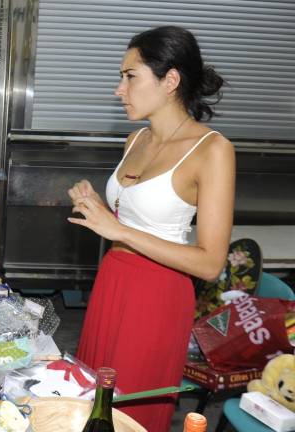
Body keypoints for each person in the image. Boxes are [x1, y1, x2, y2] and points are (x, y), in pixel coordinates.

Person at [67, 26, 234, 432]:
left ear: (170, 80)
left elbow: (210, 263)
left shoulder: (212, 150)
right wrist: (98, 208)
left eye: (130, 76)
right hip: (113, 282)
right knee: (93, 403)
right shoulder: (134, 140)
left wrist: (117, 231)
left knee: (128, 413)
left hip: (157, 297)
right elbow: (136, 222)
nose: (118, 89)